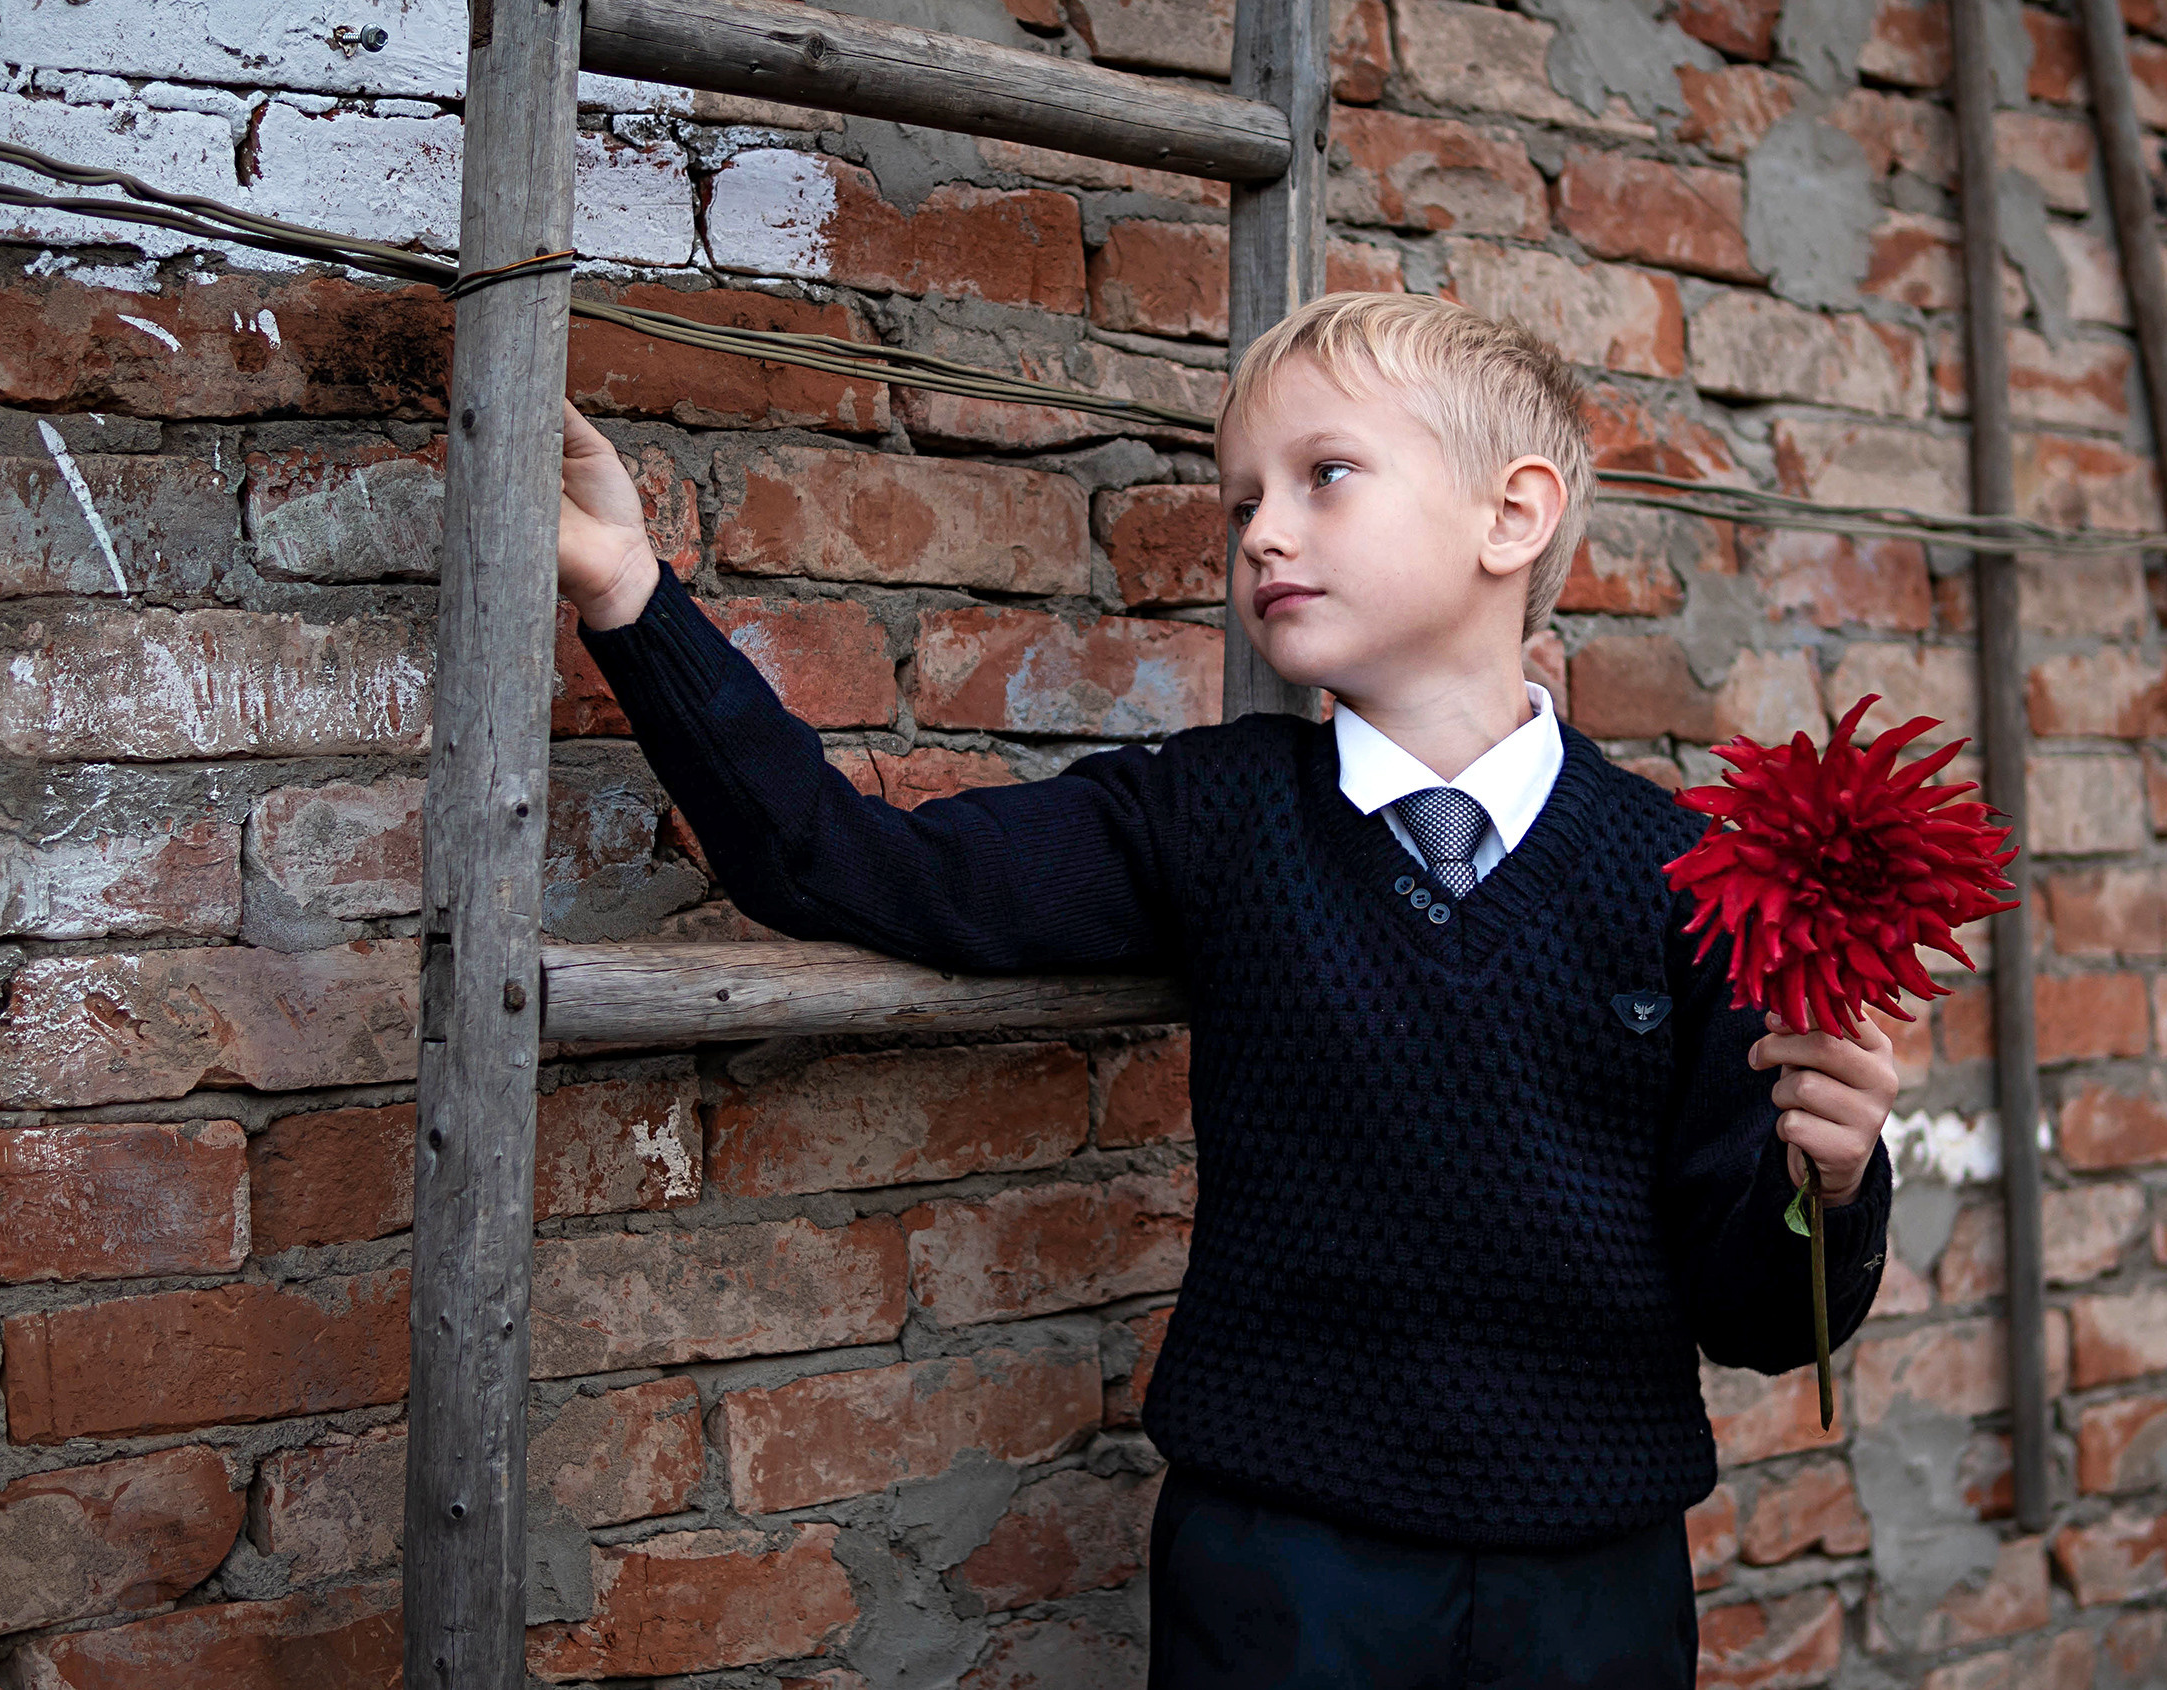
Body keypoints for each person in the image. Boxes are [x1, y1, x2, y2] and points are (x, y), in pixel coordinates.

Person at [552, 291, 1898, 1689]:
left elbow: (1761, 1315)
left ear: (1514, 517)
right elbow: (847, 865)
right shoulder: (1212, 815)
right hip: (1282, 1577)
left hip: (1595, 1589)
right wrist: (631, 598)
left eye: (1324, 476)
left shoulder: (1692, 876)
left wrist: (1837, 1184)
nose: (1260, 529)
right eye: (1242, 493)